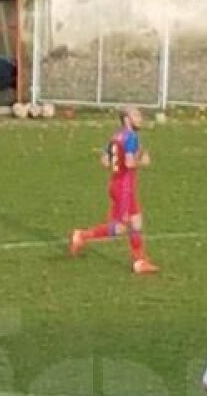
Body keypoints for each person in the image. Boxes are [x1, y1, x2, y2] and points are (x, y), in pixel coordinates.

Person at [67, 107, 159, 275]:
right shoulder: (131, 137)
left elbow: (104, 160)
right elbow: (130, 163)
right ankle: (82, 235)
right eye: (136, 115)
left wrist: (118, 166)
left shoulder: (116, 137)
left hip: (118, 184)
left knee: (136, 222)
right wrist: (142, 161)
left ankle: (139, 262)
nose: (140, 118)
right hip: (124, 187)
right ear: (127, 119)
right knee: (120, 227)